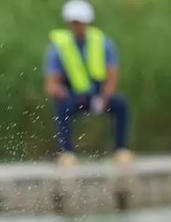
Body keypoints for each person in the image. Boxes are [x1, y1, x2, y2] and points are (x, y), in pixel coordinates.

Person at [43, 0, 133, 166]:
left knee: (121, 103)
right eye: (73, 22)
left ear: (87, 21)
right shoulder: (58, 47)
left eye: (79, 22)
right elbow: (51, 83)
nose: (77, 26)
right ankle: (66, 153)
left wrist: (104, 98)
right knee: (62, 106)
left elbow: (112, 77)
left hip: (99, 95)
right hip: (74, 96)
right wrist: (59, 92)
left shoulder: (104, 43)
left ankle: (121, 149)